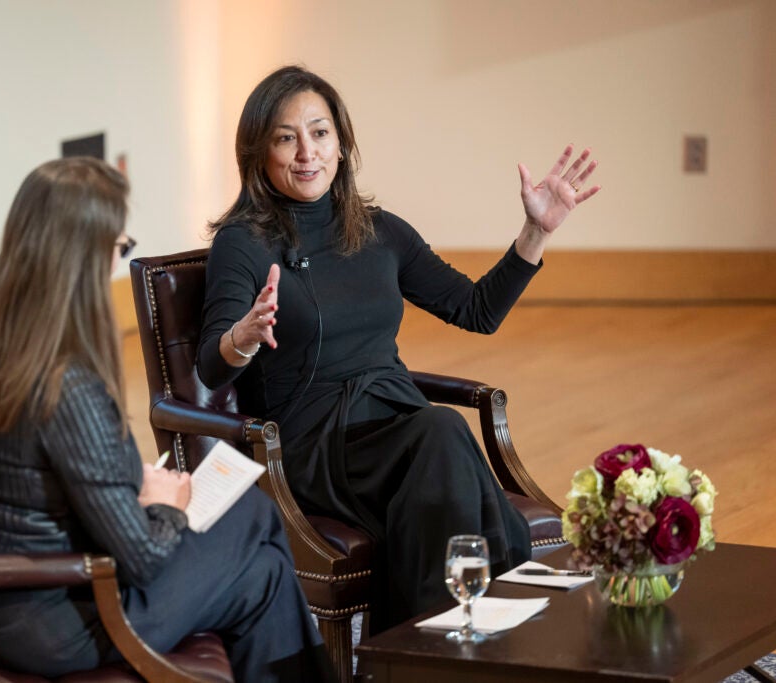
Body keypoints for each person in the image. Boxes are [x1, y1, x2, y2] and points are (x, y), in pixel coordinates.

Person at [197, 65, 600, 633]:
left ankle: (437, 643)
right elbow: (211, 367)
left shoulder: (380, 231)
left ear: (342, 143)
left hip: (393, 427)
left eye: (319, 133)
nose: (306, 152)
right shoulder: (243, 242)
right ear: (259, 152)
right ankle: (473, 636)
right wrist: (242, 336)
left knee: (437, 438)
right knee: (442, 432)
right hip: (312, 446)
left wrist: (536, 233)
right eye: (286, 138)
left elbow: (476, 311)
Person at [0, 156, 336, 681]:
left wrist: (124, 483)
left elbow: (28, 478)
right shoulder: (67, 384)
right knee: (253, 515)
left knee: (265, 574)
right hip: (65, 619)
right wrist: (165, 504)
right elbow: (143, 559)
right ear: (89, 256)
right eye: (122, 248)